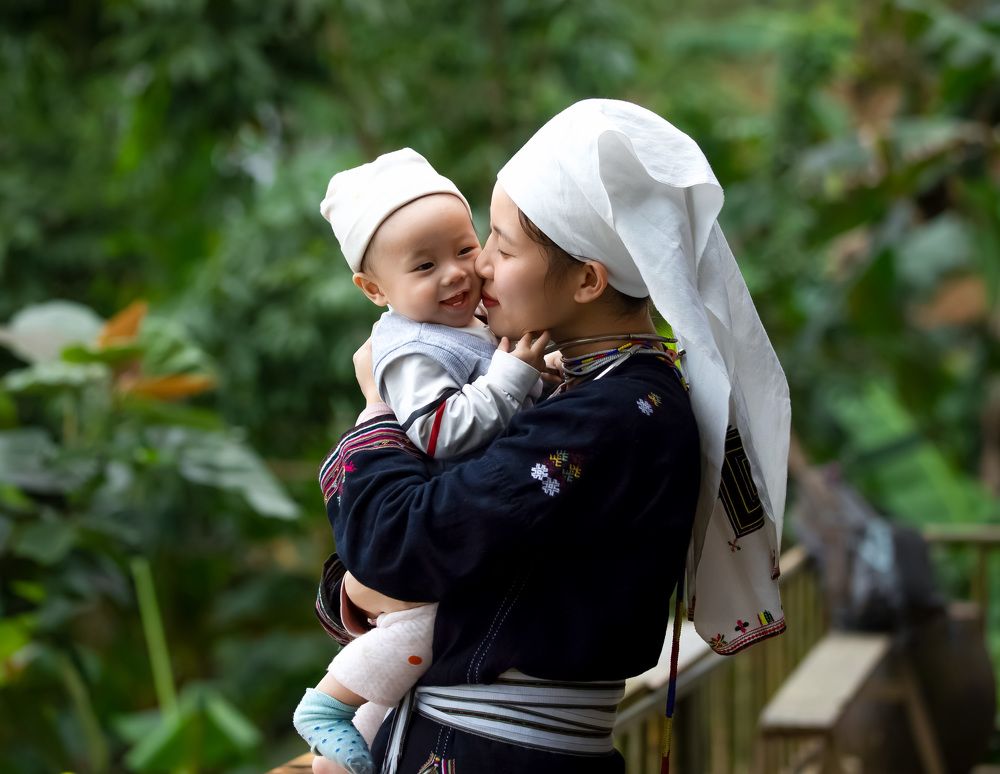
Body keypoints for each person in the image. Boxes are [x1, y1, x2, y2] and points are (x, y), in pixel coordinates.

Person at [316, 99, 790, 773]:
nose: (476, 270)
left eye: (499, 247)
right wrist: (357, 586)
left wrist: (375, 414)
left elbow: (397, 545)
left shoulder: (611, 417)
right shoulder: (598, 390)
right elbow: (401, 560)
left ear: (588, 279)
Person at [293, 148, 549, 774]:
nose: (456, 275)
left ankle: (357, 744)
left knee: (424, 650)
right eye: (425, 265)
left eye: (465, 250)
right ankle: (325, 707)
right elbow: (440, 429)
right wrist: (516, 376)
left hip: (449, 539)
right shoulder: (409, 348)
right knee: (418, 634)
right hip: (425, 531)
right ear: (375, 289)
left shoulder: (465, 324)